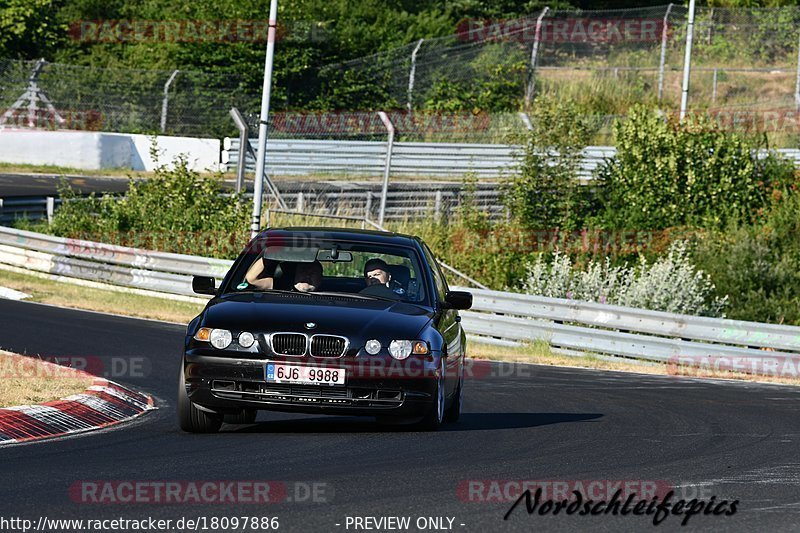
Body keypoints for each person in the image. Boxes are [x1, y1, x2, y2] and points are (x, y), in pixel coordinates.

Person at [245, 258, 323, 292]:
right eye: (303, 270)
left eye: (313, 272)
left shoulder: (332, 296)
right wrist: (270, 255)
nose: (307, 275)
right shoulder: (282, 287)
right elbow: (252, 279)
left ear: (321, 278)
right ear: (295, 273)